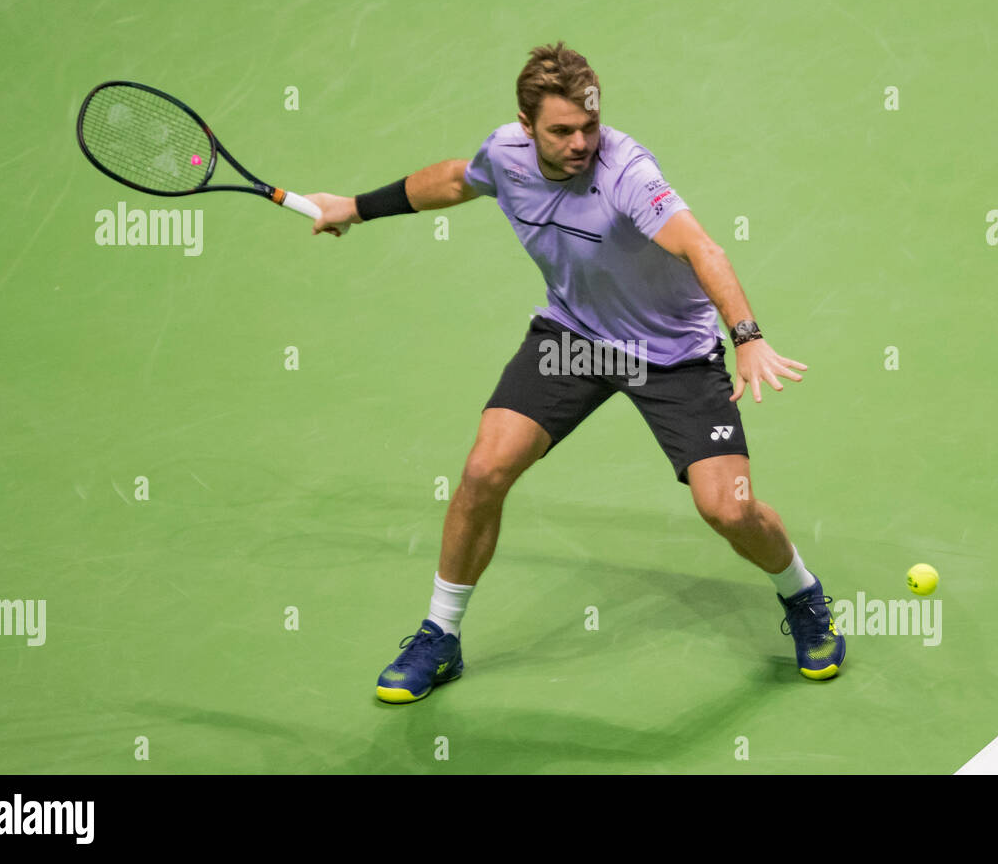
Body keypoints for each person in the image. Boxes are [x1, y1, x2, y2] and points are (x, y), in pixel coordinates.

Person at [306, 41, 844, 704]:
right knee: (483, 470)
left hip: (673, 354)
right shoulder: (505, 153)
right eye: (563, 130)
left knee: (728, 510)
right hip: (578, 337)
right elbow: (452, 179)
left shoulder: (628, 174)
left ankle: (803, 595)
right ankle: (440, 635)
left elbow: (703, 247)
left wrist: (748, 337)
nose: (581, 141)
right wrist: (352, 207)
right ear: (527, 124)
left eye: (590, 126)